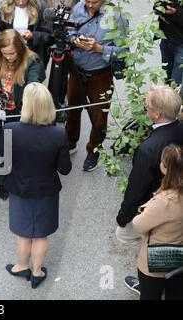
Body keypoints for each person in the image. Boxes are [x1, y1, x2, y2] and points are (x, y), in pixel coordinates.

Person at [4, 82, 71, 289]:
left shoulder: (9, 129)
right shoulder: (58, 134)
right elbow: (65, 169)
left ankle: (22, 266)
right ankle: (36, 272)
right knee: (40, 234)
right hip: (46, 190)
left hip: (19, 188)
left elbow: (1, 164)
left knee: (24, 232)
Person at [118, 85, 183, 295]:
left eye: (146, 107)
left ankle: (150, 286)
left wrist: (124, 216)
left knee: (144, 246)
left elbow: (136, 188)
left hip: (157, 210)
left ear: (155, 115)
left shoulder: (148, 149)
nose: (145, 110)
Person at [65, 0, 128, 172]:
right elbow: (69, 30)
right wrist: (74, 39)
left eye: (95, 2)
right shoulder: (78, 7)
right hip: (76, 71)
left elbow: (123, 52)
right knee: (72, 110)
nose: (91, 6)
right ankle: (70, 141)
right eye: (88, 1)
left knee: (99, 118)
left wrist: (99, 48)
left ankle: (94, 150)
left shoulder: (117, 15)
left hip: (101, 75)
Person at [0, 28, 44, 200]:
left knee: (20, 149)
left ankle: (20, 179)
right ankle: (1, 182)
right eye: (4, 53)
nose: (8, 57)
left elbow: (34, 81)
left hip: (20, 112)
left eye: (11, 53)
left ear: (20, 48)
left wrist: (30, 92)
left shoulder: (31, 60)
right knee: (0, 149)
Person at [131, 144, 183, 300]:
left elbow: (138, 225)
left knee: (150, 294)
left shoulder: (164, 202)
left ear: (166, 168)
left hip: (158, 258)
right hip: (179, 255)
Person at [0, 0, 50, 68]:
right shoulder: (3, 6)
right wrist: (11, 36)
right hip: (8, 53)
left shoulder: (41, 7)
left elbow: (48, 35)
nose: (21, 2)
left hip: (31, 53)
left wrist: (33, 35)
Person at [153, 0, 183, 85]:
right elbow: (156, 7)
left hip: (181, 45)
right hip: (166, 41)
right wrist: (159, 7)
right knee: (166, 78)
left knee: (175, 84)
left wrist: (176, 12)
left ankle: (174, 98)